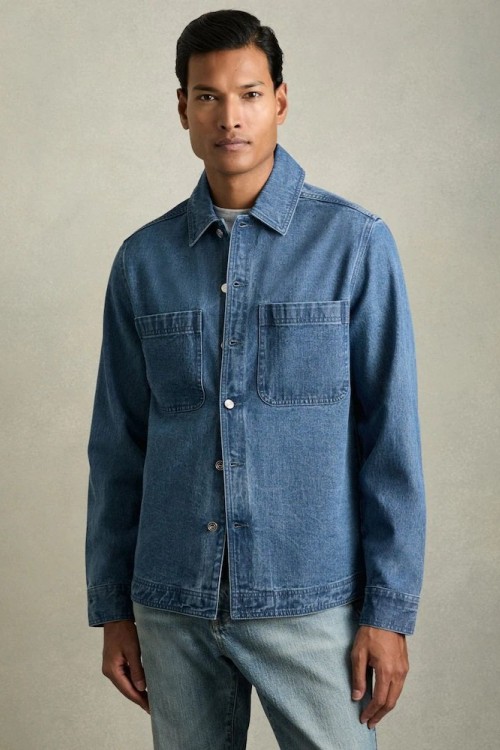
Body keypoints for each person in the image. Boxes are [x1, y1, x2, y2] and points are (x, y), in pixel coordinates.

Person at [85, 9, 426, 749]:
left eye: (248, 94)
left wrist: (390, 613)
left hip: (313, 601)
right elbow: (118, 447)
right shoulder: (142, 262)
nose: (229, 117)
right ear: (183, 108)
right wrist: (114, 608)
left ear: (280, 100)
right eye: (208, 96)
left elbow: (391, 443)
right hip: (174, 604)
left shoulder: (354, 245)